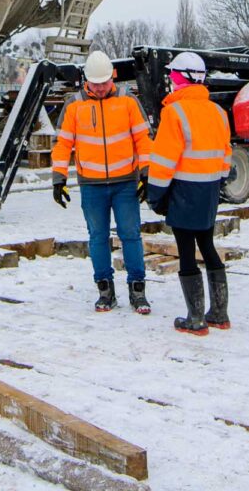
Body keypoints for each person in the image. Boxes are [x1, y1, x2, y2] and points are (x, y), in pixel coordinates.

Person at [52, 50, 154, 314]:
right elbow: (63, 143)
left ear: (113, 78)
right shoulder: (74, 105)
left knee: (130, 234)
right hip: (92, 185)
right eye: (95, 83)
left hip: (125, 183)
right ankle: (105, 290)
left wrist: (146, 172)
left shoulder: (127, 101)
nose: (99, 88)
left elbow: (143, 138)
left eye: (104, 83)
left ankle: (137, 289)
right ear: (86, 79)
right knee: (97, 237)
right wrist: (58, 178)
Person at [146, 51, 234, 335]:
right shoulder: (219, 112)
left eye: (172, 75)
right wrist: (215, 183)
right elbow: (225, 155)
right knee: (207, 247)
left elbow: (163, 161)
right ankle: (219, 313)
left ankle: (195, 319)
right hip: (208, 191)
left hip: (182, 191)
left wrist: (155, 195)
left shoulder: (174, 112)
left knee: (186, 252)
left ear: (179, 78)